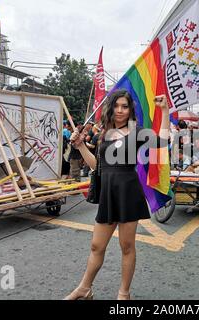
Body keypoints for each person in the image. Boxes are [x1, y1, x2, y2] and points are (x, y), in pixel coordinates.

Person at [64, 90, 170, 300]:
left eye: (125, 106)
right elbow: (98, 167)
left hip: (128, 193)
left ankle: (124, 293)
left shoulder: (136, 131)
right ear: (111, 108)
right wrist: (80, 145)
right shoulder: (105, 133)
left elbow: (163, 141)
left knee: (127, 246)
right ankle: (85, 289)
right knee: (96, 245)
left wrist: (165, 110)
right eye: (117, 106)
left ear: (130, 110)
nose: (120, 110)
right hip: (108, 194)